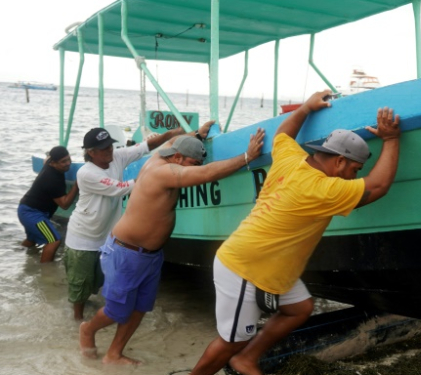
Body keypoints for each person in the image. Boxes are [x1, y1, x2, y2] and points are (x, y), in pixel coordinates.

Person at [189, 89, 402, 375]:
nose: (356, 176)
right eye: (355, 169)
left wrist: (305, 109)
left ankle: (247, 359)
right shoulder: (322, 189)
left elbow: (283, 135)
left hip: (269, 263)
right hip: (245, 267)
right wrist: (391, 139)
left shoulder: (292, 160)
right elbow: (377, 186)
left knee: (300, 308)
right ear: (339, 162)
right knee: (233, 340)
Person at [78, 124, 266, 366]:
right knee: (117, 311)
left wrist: (197, 134)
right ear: (177, 158)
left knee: (140, 308)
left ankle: (114, 353)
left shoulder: (167, 153)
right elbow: (207, 174)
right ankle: (87, 330)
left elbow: (172, 141)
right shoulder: (162, 172)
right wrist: (247, 157)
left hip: (150, 255)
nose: (194, 169)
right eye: (192, 163)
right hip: (126, 252)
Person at [65, 125, 206, 321]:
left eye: (110, 146)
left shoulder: (116, 157)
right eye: (104, 148)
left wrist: (181, 135)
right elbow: (122, 188)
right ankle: (76, 323)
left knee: (100, 284)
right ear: (91, 152)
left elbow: (146, 146)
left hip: (106, 237)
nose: (110, 150)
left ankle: (100, 317)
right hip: (83, 238)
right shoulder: (86, 173)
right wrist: (155, 174)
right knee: (80, 286)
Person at [18, 146, 79, 263]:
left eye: (68, 159)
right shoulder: (52, 179)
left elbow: (46, 159)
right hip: (32, 214)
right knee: (54, 240)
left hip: (25, 209)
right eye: (63, 162)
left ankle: (18, 256)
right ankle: (46, 273)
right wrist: (76, 186)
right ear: (53, 163)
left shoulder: (49, 164)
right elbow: (64, 204)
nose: (68, 164)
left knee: (31, 240)